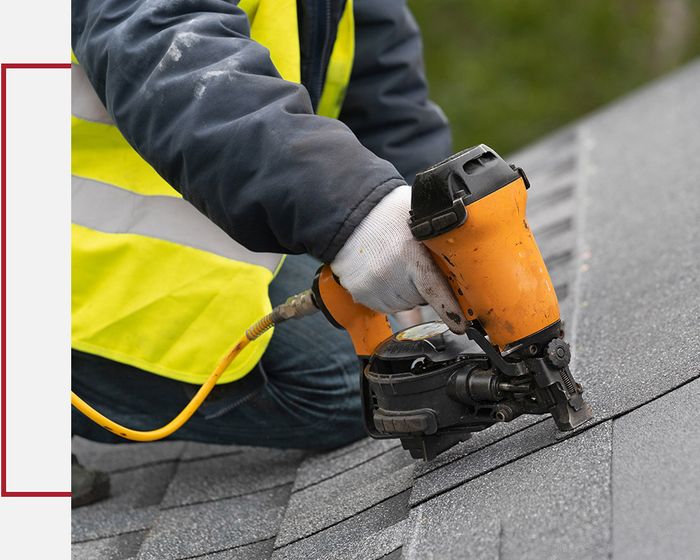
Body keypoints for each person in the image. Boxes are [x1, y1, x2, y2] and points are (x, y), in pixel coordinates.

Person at [71, 0, 466, 506]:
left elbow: (380, 72)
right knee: (346, 387)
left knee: (385, 359)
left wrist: (423, 226)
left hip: (186, 198)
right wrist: (351, 210)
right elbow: (171, 50)